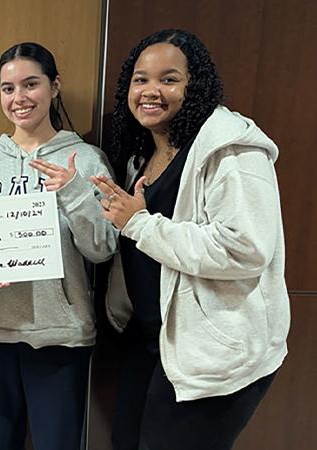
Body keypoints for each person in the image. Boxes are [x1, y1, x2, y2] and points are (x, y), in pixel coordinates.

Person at [91, 29, 291, 450]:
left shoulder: (231, 148)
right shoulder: (141, 154)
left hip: (213, 352)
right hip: (153, 341)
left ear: (193, 86)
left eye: (168, 79)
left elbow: (244, 248)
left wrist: (140, 224)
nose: (150, 91)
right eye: (140, 79)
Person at [0, 42, 118, 450]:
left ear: (54, 86)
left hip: (62, 330)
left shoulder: (87, 160)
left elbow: (102, 249)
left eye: (31, 84)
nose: (19, 98)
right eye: (8, 88)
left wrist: (74, 193)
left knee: (58, 442)